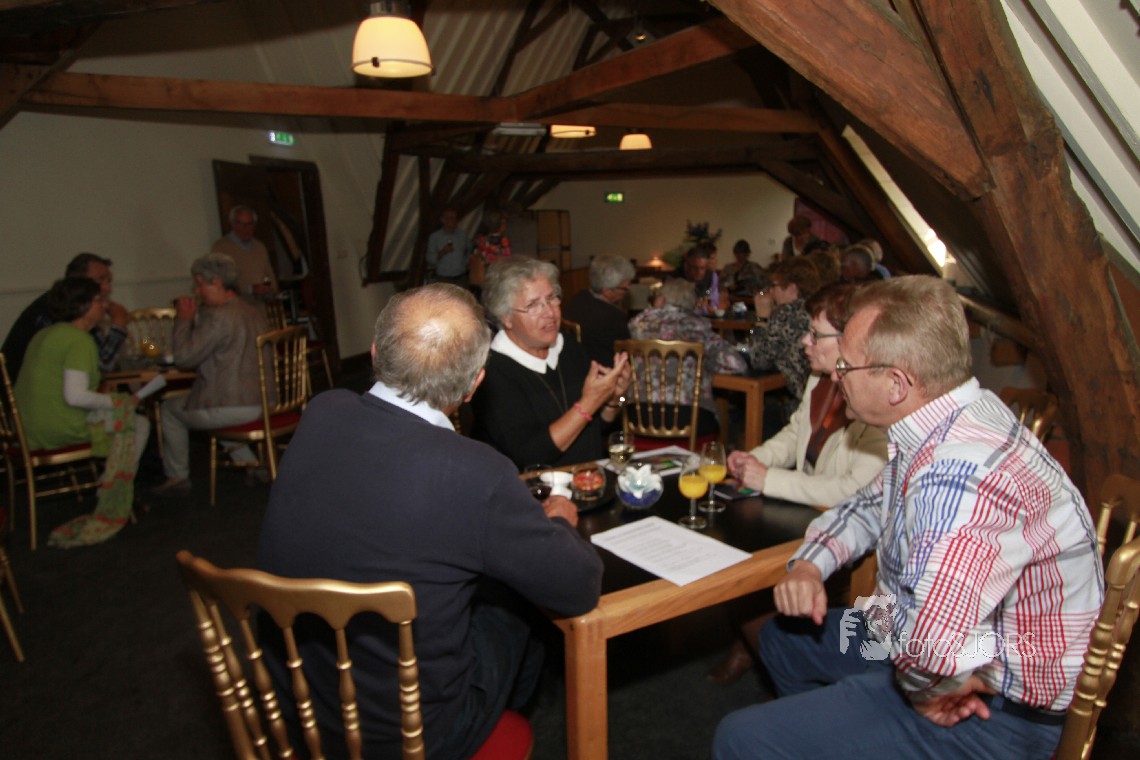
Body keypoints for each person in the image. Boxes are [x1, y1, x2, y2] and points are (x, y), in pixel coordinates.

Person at [713, 276, 1103, 760]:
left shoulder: (959, 478)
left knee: (740, 737)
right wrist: (811, 564)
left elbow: (932, 652)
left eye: (845, 365)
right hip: (918, 637)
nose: (836, 376)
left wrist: (923, 695)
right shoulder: (946, 417)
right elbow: (866, 505)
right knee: (780, 639)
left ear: (896, 384)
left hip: (996, 706)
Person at [256, 283, 603, 759]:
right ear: (475, 384)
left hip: (296, 703)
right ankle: (504, 719)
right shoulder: (476, 471)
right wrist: (559, 522)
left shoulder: (322, 410)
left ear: (376, 353)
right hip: (414, 735)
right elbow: (578, 588)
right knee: (518, 599)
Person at [706, 283, 888, 685]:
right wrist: (758, 459)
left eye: (815, 335)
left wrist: (769, 479)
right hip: (807, 508)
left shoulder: (875, 401)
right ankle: (758, 646)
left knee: (745, 568)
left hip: (842, 529)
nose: (805, 341)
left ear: (852, 341)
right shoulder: (819, 379)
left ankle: (766, 654)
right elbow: (794, 433)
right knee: (730, 543)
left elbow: (853, 493)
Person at [14, 277, 150, 546]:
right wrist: (120, 403)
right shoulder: (79, 340)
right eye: (99, 301)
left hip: (25, 427)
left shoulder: (44, 334)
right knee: (138, 423)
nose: (105, 305)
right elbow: (75, 396)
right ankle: (109, 494)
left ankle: (107, 484)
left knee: (122, 412)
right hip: (56, 428)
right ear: (81, 306)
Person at [471, 257, 630, 469]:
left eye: (551, 298)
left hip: (588, 478)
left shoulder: (570, 347)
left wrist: (615, 398)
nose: (549, 312)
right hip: (534, 486)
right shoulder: (492, 372)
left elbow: (596, 429)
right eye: (533, 305)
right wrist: (589, 402)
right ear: (506, 318)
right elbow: (529, 455)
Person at [153, 252, 268, 494]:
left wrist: (183, 320)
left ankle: (177, 476)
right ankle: (253, 465)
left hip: (233, 405)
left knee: (170, 410)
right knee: (211, 409)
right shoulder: (254, 310)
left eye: (199, 285)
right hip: (266, 401)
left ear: (216, 282)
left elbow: (184, 359)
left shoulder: (218, 316)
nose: (197, 292)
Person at [628, 278, 747, 440]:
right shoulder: (698, 327)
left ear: (661, 299)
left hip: (638, 415)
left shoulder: (636, 324)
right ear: (693, 304)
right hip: (688, 418)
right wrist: (707, 365)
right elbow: (737, 365)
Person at [2, 252, 130, 380]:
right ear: (77, 282)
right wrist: (119, 323)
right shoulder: (57, 309)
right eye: (100, 280)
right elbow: (101, 367)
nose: (108, 288)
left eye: (109, 281)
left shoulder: (77, 310)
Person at [747, 257, 821, 436]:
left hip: (799, 405)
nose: (771, 292)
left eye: (775, 286)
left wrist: (762, 317)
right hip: (819, 398)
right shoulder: (818, 309)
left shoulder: (785, 313)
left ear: (793, 288)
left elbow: (758, 359)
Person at [561, 254, 635, 366]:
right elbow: (627, 356)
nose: (629, 289)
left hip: (574, 364)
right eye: (625, 288)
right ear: (607, 291)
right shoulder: (614, 317)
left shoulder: (577, 299)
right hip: (603, 370)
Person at [210, 205, 278, 298]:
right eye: (240, 223)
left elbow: (269, 274)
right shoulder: (221, 247)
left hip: (261, 303)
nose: (245, 228)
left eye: (250, 224)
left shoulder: (259, 247)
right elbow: (220, 280)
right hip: (236, 304)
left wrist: (271, 290)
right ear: (232, 224)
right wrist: (250, 289)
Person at [425, 207, 471, 286]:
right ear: (443, 220)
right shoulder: (435, 237)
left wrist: (466, 262)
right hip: (444, 279)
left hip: (461, 278)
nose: (454, 220)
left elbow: (469, 250)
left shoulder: (462, 235)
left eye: (455, 218)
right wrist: (443, 252)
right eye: (451, 218)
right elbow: (430, 259)